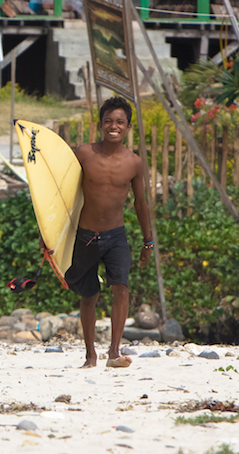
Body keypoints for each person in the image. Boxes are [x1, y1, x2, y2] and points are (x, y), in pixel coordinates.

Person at [53, 96, 152, 369]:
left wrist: (148, 241)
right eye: (108, 121)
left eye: (120, 122)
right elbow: (63, 195)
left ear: (128, 127)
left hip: (116, 235)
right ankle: (90, 354)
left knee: (121, 287)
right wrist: (49, 233)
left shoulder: (134, 163)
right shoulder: (84, 153)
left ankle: (113, 352)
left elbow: (141, 203)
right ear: (100, 124)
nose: (114, 126)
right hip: (86, 235)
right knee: (89, 294)